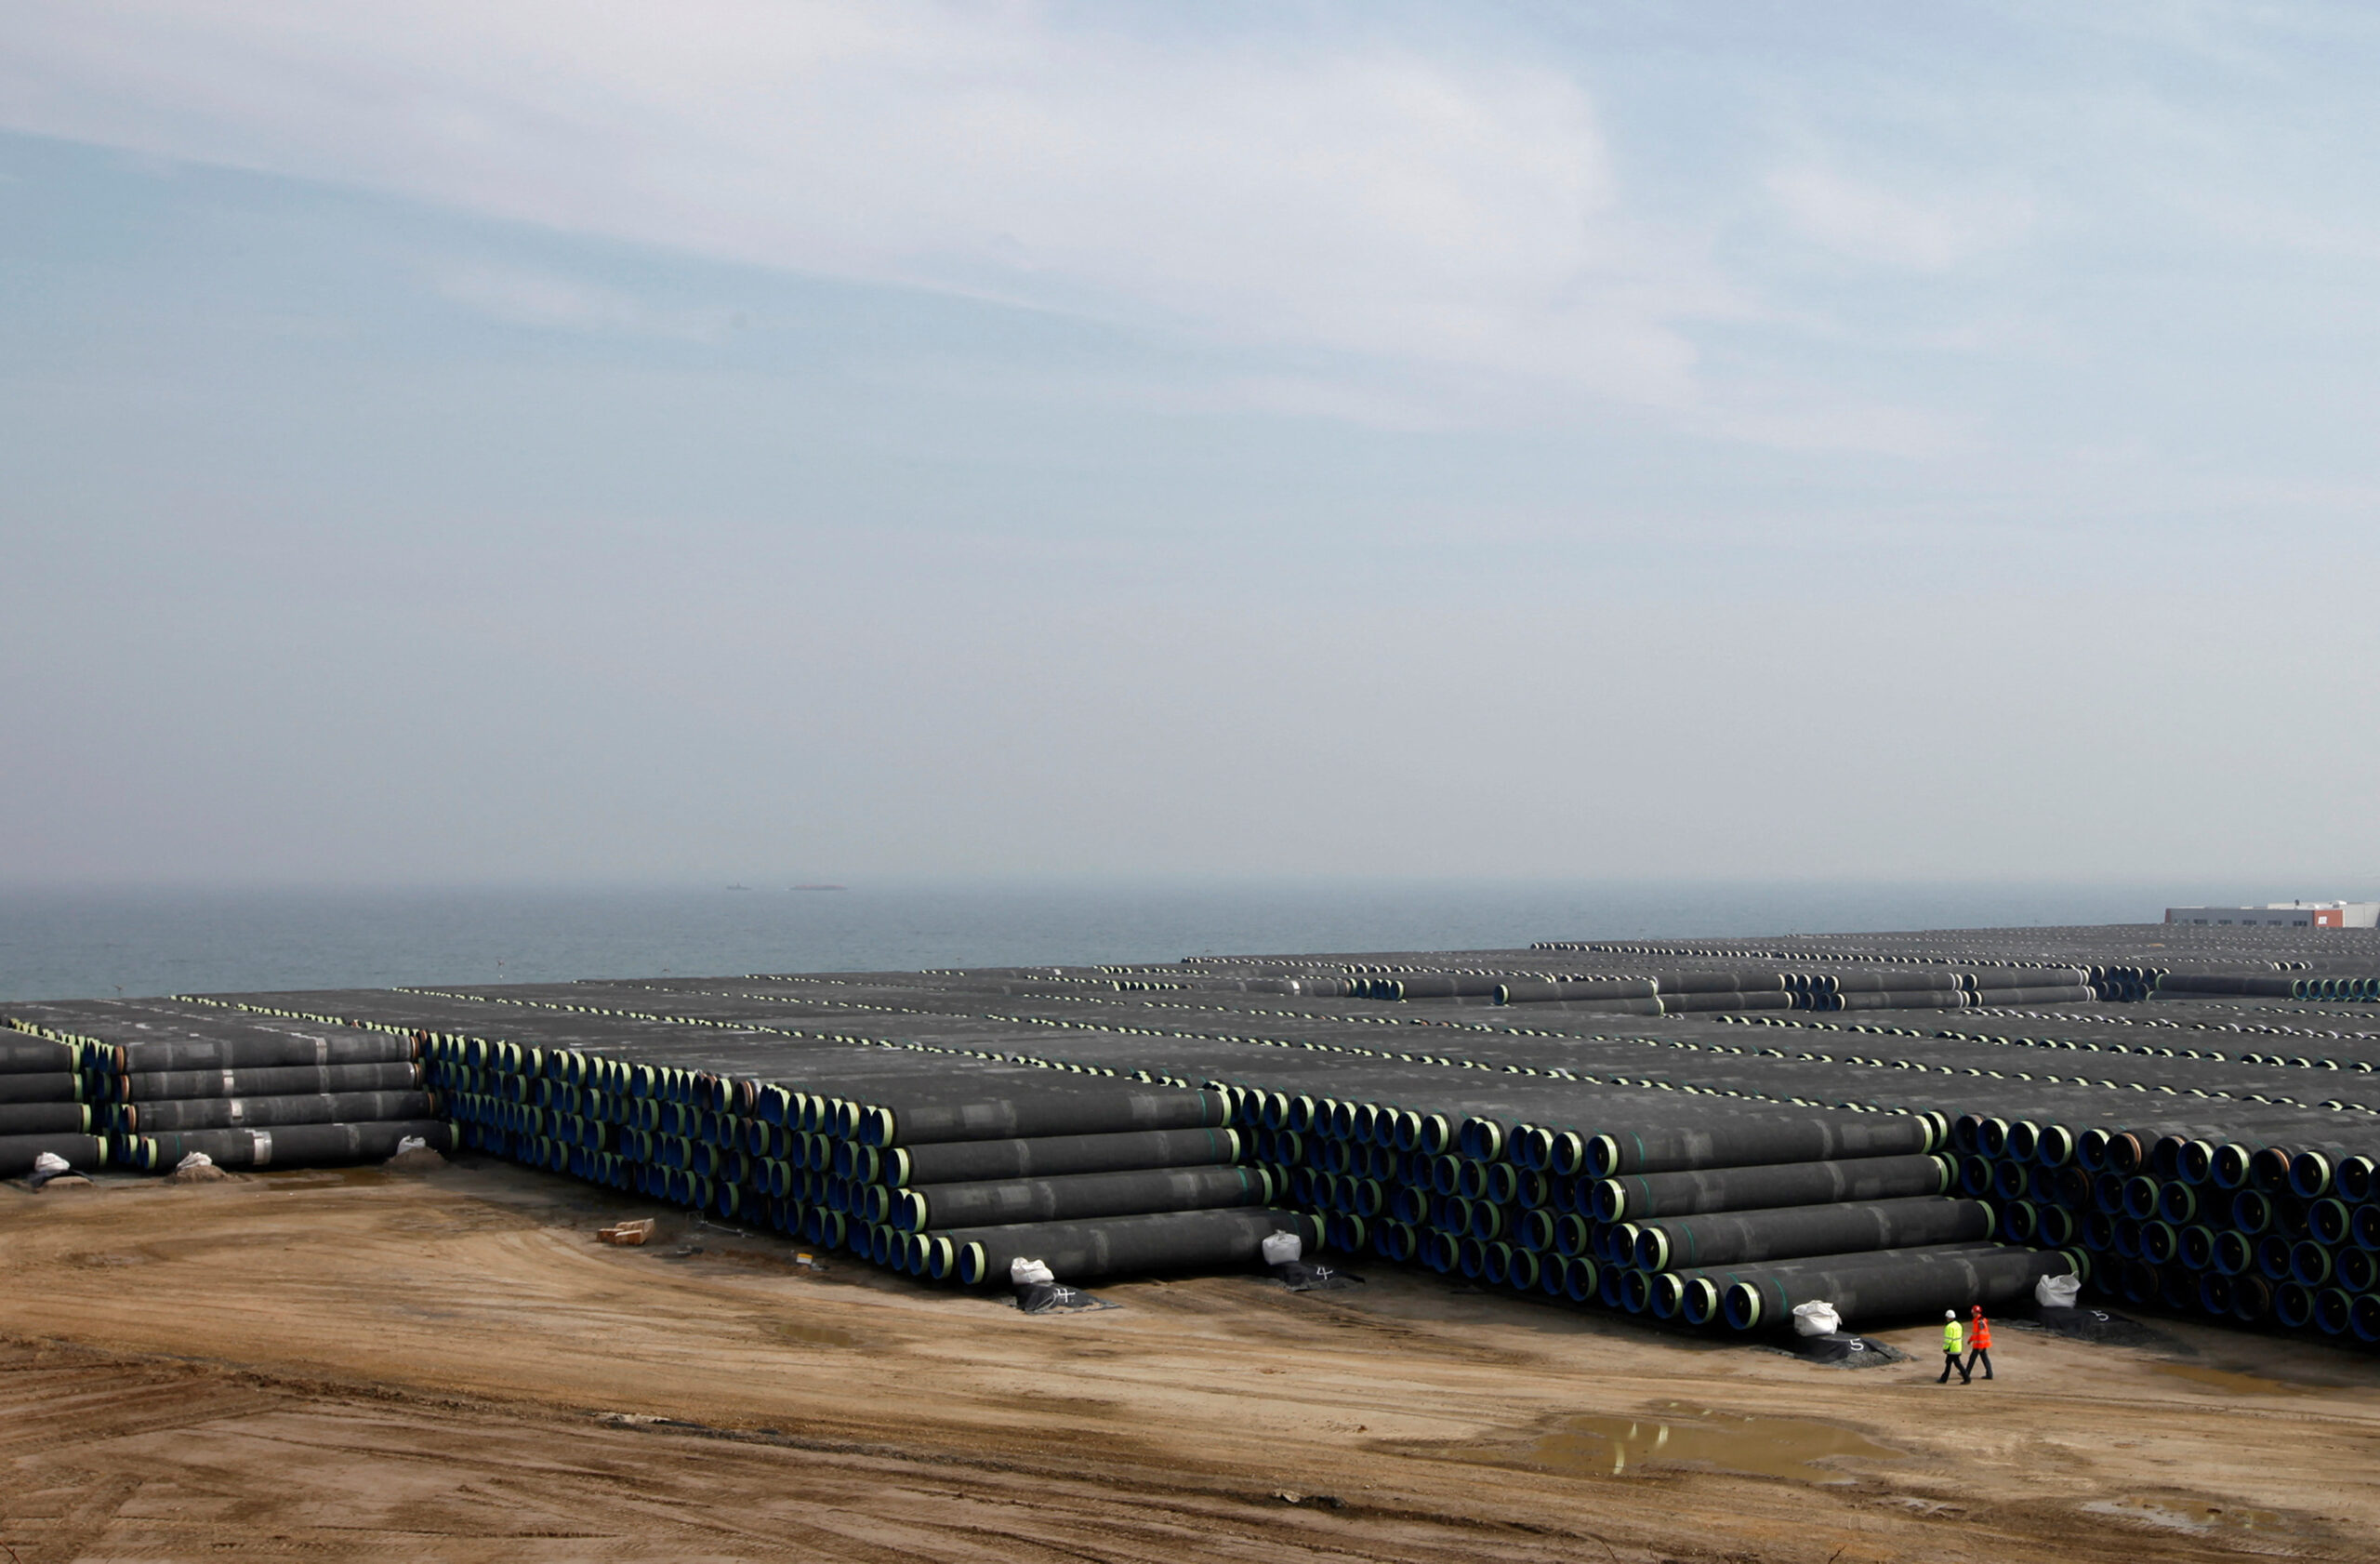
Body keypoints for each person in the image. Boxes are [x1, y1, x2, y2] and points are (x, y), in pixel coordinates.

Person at [1937, 1309, 1969, 1384]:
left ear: (1948, 1317)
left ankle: (1966, 1378)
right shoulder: (1959, 1325)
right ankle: (1944, 1378)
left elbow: (1948, 1340)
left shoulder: (1949, 1327)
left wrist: (1945, 1348)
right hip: (1958, 1347)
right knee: (1950, 1363)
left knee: (1954, 1364)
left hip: (1952, 1349)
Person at [1965, 1305, 1994, 1381]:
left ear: (1976, 1313)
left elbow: (1982, 1334)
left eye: (1973, 1313)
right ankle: (1989, 1374)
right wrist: (1970, 1339)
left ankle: (1966, 1373)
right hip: (1980, 1344)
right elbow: (1976, 1333)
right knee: (1984, 1359)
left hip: (1979, 1345)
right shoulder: (1978, 1321)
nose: (1972, 1314)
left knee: (1972, 1359)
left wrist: (1981, 1346)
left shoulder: (1979, 1322)